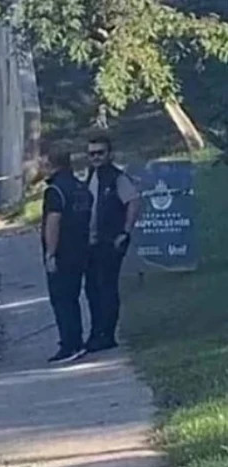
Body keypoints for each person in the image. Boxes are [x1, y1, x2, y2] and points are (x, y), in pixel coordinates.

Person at [84, 136, 140, 353]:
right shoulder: (90, 176)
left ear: (110, 154)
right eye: (92, 153)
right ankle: (96, 332)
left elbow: (133, 201)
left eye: (100, 153)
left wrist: (125, 231)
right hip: (91, 243)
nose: (96, 157)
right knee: (92, 289)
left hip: (110, 242)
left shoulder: (117, 178)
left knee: (106, 287)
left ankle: (107, 334)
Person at [42, 149, 94, 363]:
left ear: (51, 164)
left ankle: (70, 344)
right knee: (73, 297)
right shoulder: (81, 187)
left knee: (62, 299)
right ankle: (77, 341)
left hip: (63, 252)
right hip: (82, 249)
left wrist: (50, 253)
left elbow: (53, 222)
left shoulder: (55, 190)